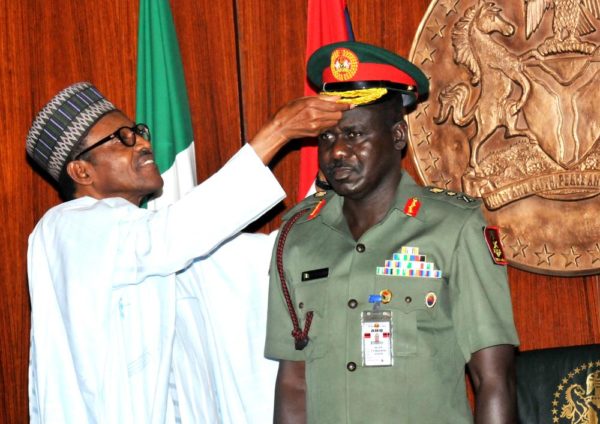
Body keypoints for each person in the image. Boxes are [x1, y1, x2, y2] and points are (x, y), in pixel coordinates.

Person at [25, 81, 350, 423]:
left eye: (138, 132)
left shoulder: (153, 244)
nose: (143, 143)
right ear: (81, 170)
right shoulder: (66, 229)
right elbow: (167, 238)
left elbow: (275, 258)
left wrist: (330, 182)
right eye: (122, 138)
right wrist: (278, 131)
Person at [265, 41, 520, 424]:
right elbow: (293, 383)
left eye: (354, 135)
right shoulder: (298, 237)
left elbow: (493, 378)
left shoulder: (453, 227)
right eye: (327, 139)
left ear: (397, 137)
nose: (337, 153)